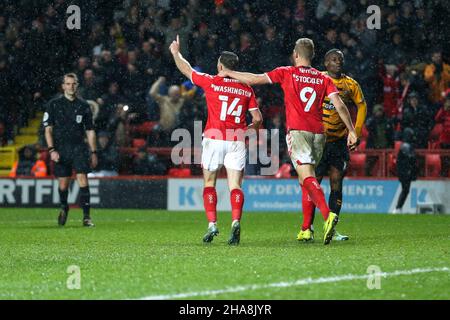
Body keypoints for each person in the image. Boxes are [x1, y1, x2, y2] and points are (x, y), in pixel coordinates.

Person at [219, 38, 358, 245]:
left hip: (298, 133)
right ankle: (305, 229)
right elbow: (339, 104)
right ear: (312, 56)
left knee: (308, 178)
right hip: (320, 135)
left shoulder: (287, 72)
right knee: (306, 182)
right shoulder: (323, 78)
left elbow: (255, 79)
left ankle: (328, 215)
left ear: (295, 54)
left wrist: (229, 73)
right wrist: (352, 131)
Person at [170, 35, 263, 245]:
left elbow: (187, 70)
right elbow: (258, 119)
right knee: (235, 186)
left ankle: (212, 224)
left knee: (209, 182)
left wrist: (176, 53)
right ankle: (235, 221)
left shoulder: (212, 82)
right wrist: (245, 130)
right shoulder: (246, 88)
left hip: (214, 137)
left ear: (220, 65)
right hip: (236, 139)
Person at [307, 49, 367, 241]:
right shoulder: (317, 79)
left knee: (336, 183)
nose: (338, 62)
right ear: (326, 63)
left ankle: (332, 229)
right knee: (313, 183)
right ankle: (307, 227)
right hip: (318, 140)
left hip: (339, 142)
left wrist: (355, 132)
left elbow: (362, 105)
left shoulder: (350, 84)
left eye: (340, 59)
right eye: (334, 59)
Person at [43, 73, 97, 227]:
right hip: (61, 149)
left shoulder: (84, 106)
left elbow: (90, 130)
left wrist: (94, 152)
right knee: (63, 185)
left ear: (77, 85)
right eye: (68, 84)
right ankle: (64, 207)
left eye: (73, 84)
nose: (71, 87)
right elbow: (48, 130)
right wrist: (52, 150)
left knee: (83, 179)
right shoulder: (53, 105)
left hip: (78, 148)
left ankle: (86, 217)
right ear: (63, 86)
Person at [392, 128, 417, 214]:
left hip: (403, 172)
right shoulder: (406, 146)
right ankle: (398, 208)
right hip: (405, 173)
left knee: (405, 190)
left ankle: (398, 208)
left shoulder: (404, 146)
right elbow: (411, 158)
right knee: (405, 190)